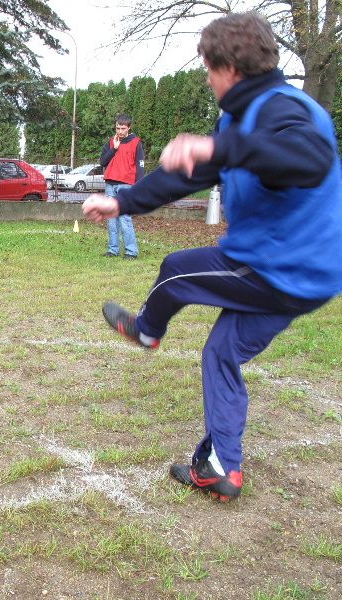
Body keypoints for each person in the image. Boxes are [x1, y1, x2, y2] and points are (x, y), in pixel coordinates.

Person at [82, 11, 342, 501]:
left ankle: (147, 330)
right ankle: (223, 468)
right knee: (221, 353)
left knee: (177, 270)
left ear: (230, 69)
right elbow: (188, 174)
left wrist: (226, 149)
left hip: (282, 267)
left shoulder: (287, 109)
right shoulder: (239, 120)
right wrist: (121, 202)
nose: (205, 78)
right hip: (308, 278)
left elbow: (310, 158)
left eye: (207, 68)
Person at [99, 114, 143, 259]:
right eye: (117, 128)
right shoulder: (111, 142)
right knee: (112, 219)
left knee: (124, 218)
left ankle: (131, 252)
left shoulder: (136, 142)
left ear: (129, 128)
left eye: (123, 128)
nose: (120, 131)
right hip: (110, 184)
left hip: (126, 185)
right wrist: (115, 149)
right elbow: (102, 162)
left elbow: (140, 166)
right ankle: (113, 250)